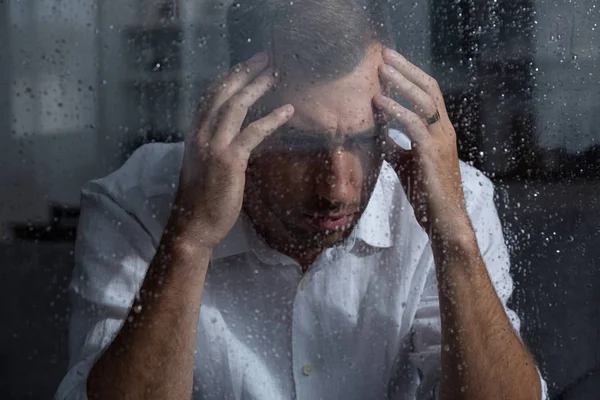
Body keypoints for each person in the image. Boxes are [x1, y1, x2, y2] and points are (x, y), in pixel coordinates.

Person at [56, 0, 547, 399]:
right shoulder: (136, 203)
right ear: (237, 116)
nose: (336, 188)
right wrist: (190, 239)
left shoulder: (445, 197)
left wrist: (454, 236)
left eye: (362, 139)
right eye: (298, 144)